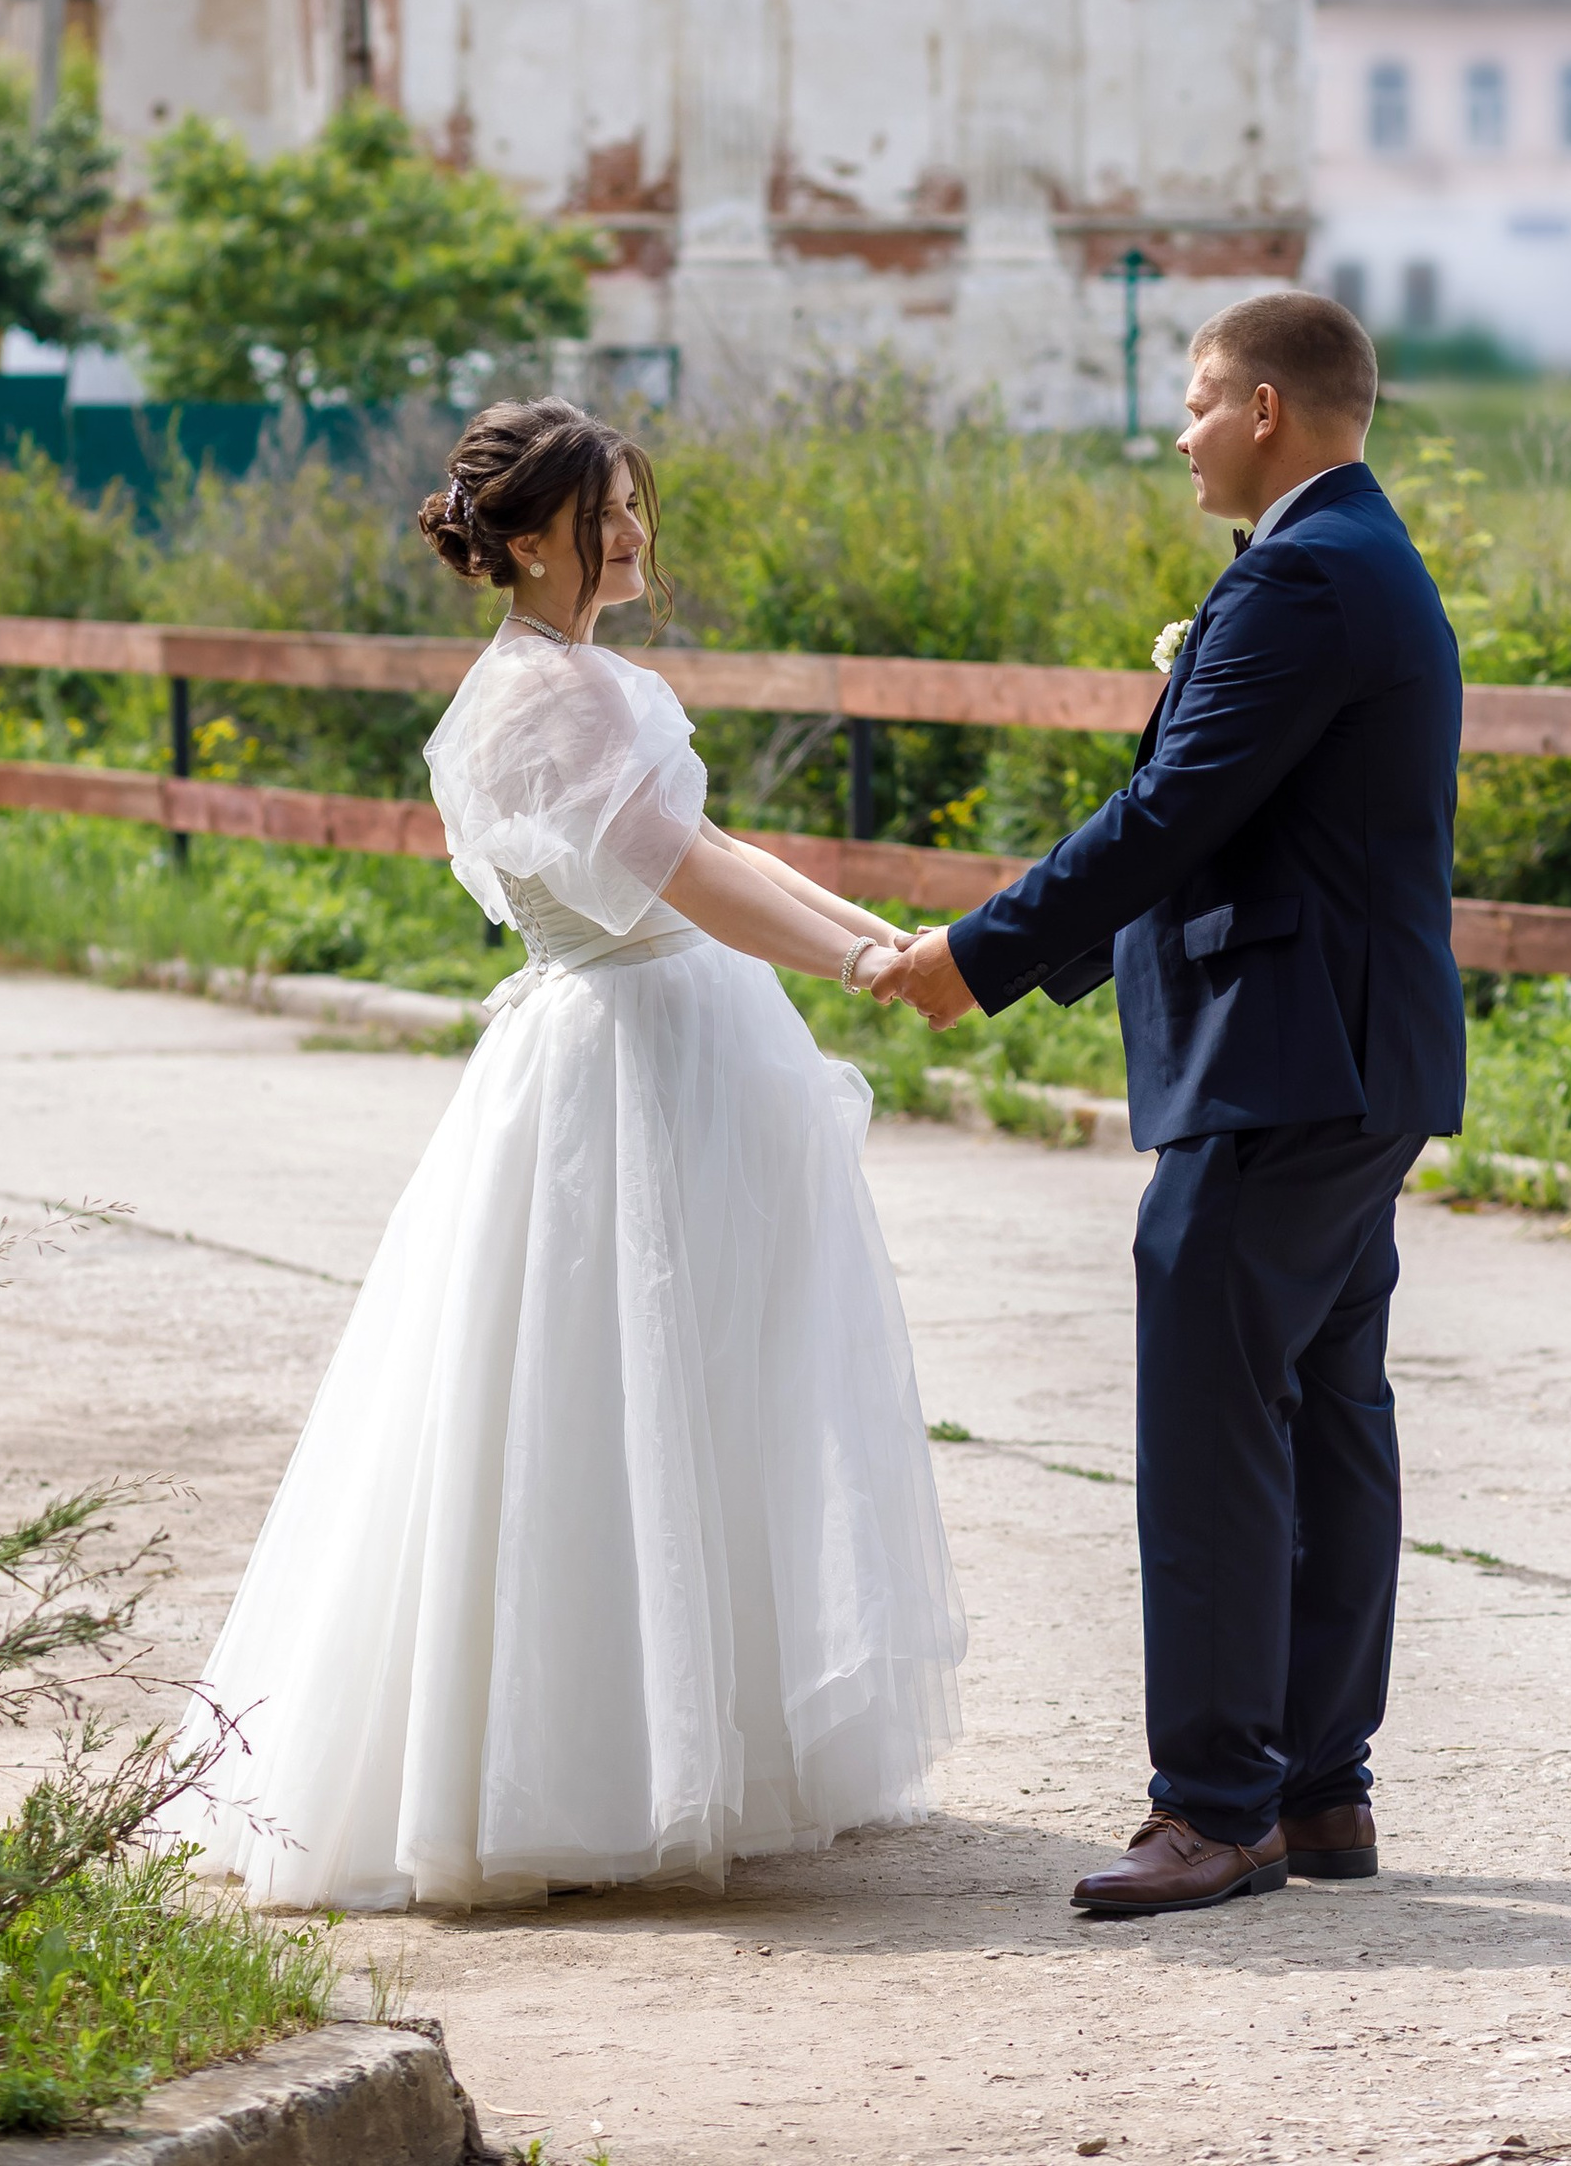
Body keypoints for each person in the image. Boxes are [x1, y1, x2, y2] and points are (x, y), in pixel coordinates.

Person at [167, 396, 964, 1915]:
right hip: (617, 1066)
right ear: (526, 539)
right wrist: (868, 974)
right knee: (600, 1402)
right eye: (604, 511)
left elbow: (715, 852)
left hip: (670, 1040)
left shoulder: (591, 682)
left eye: (636, 505)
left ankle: (705, 1738)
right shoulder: (542, 697)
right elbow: (681, 875)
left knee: (699, 1393)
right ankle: (586, 1763)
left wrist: (889, 937)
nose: (632, 532)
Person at [872, 290, 1464, 1919]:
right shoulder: (1353, 555)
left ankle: (1214, 1808)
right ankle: (1318, 1789)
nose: (1182, 430)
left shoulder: (1301, 575)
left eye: (1200, 401)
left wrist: (976, 957)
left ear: (1269, 408)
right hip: (1356, 1059)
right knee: (1332, 1418)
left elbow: (1170, 814)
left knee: (1214, 1429)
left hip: (1290, 1066)